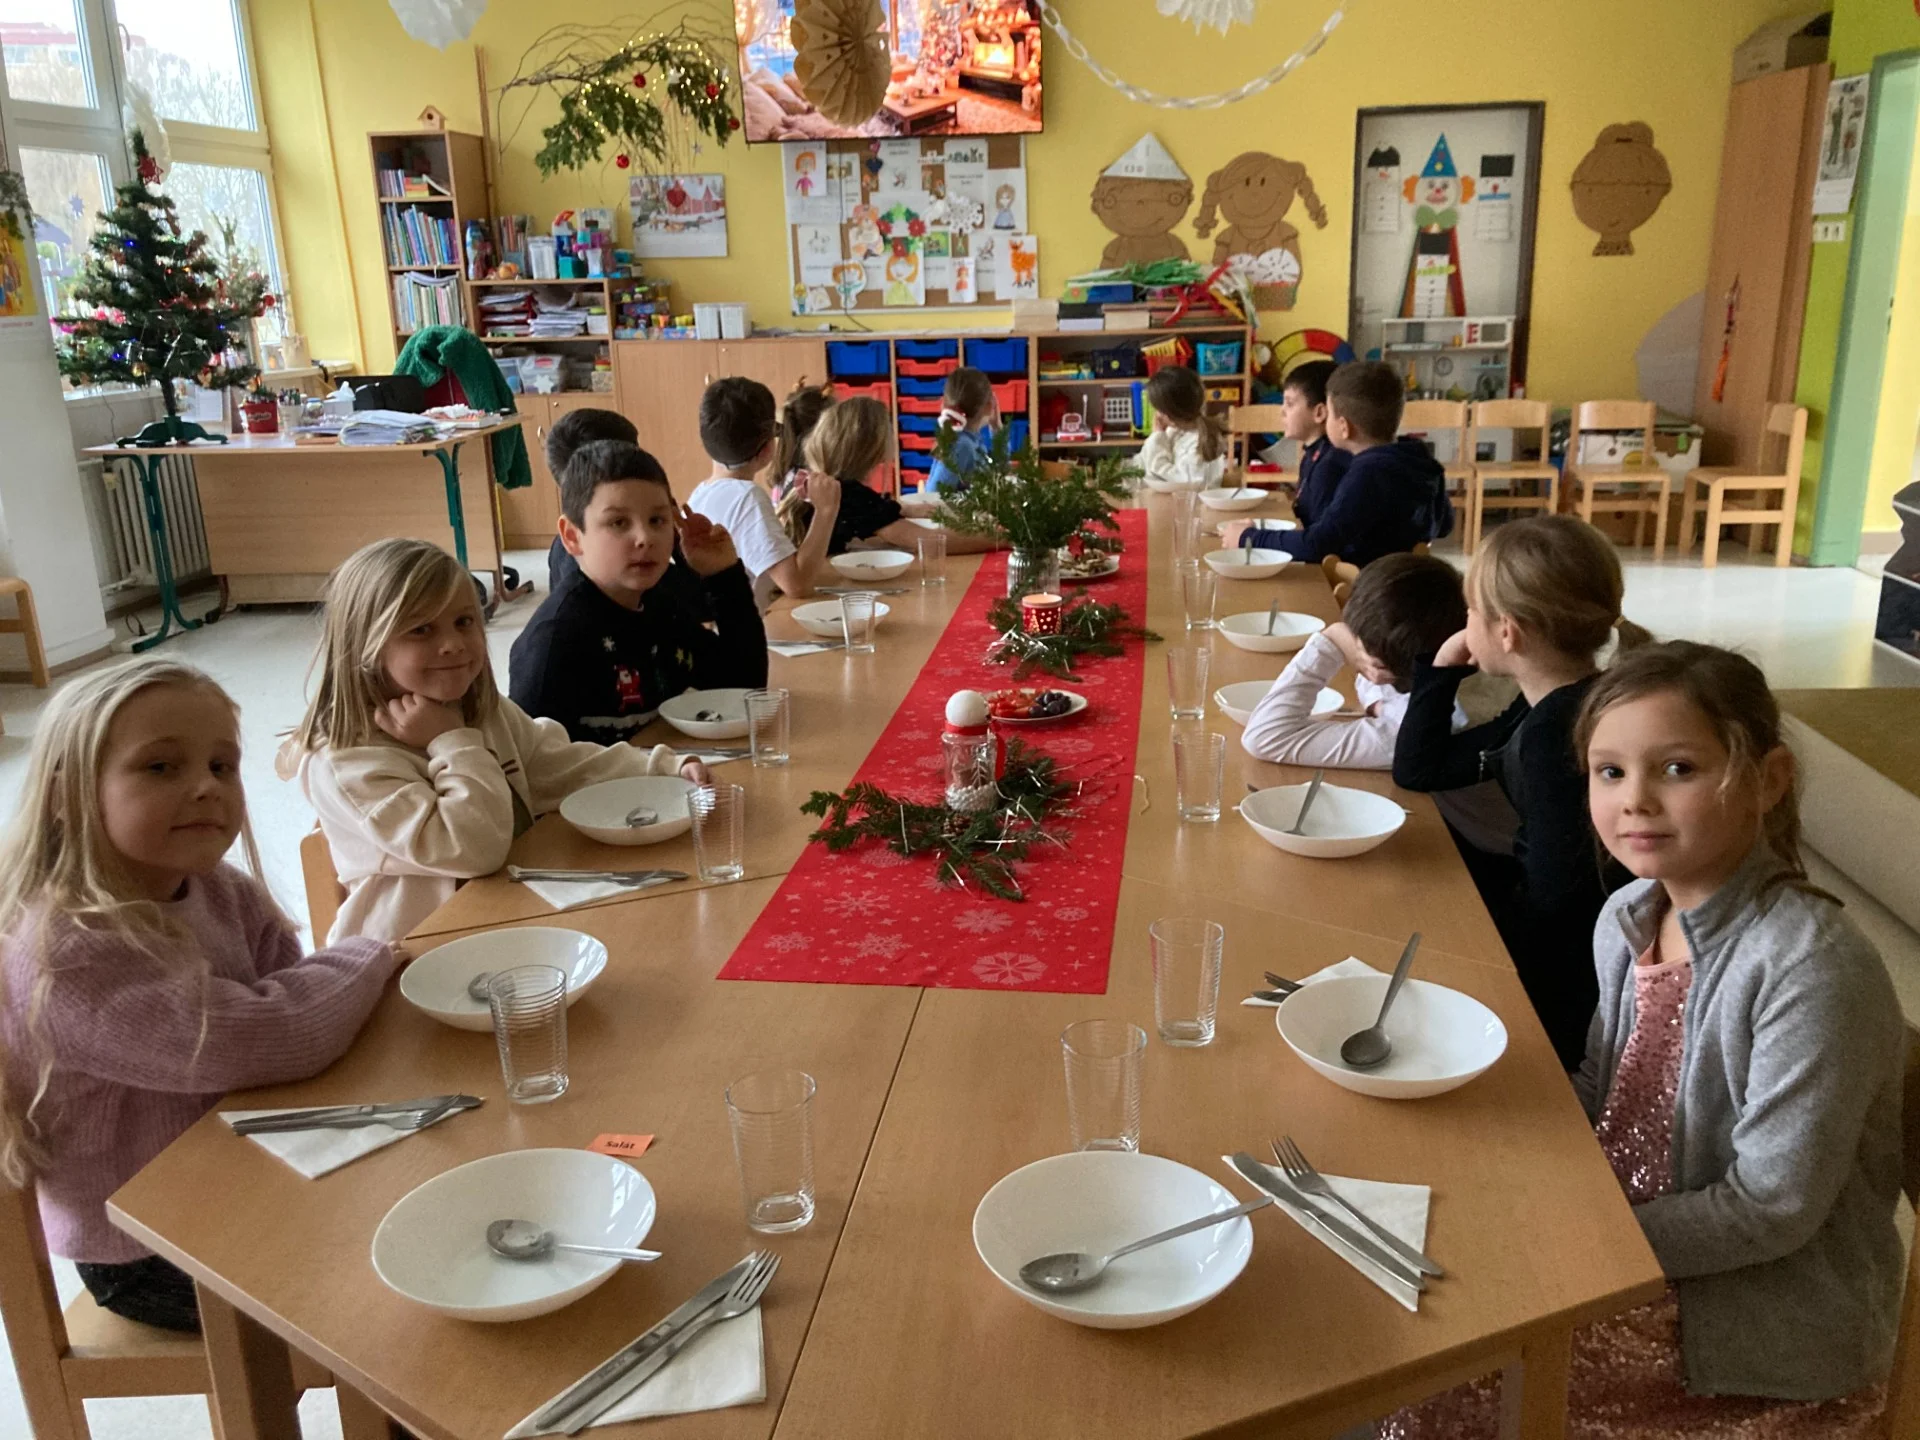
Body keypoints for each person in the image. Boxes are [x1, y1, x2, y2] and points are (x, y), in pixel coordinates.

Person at [1383, 642, 1899, 1439]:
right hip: (1629, 1243)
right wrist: (1490, 1135)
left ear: (1768, 780)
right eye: (1610, 772)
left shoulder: (1809, 966)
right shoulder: (1628, 915)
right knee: (1416, 1316)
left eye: (1677, 769)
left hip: (1744, 1335)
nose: (1636, 801)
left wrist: (1571, 1241)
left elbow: (1770, 1209)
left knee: (1444, 1382)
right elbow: (1605, 1087)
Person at [0, 659, 399, 1331]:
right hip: (147, 1249)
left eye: (222, 766)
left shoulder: (218, 889)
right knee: (395, 1297)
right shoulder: (65, 951)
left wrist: (320, 1002)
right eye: (161, 767)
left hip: (249, 1176)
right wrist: (373, 952)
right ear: (68, 794)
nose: (206, 787)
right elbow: (276, 1034)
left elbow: (291, 1010)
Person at [284, 538, 705, 943]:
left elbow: (558, 764)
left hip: (504, 923)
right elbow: (474, 850)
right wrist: (452, 742)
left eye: (464, 622)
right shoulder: (347, 762)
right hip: (414, 958)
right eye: (421, 629)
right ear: (365, 646)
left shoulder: (479, 709)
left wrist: (661, 768)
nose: (453, 644)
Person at [1392, 515, 1639, 1067]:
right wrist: (1441, 669)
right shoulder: (1553, 703)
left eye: (1470, 611)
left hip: (1568, 991)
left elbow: (1555, 904)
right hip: (1563, 944)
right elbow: (1420, 769)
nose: (1464, 624)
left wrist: (1463, 935)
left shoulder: (1557, 733)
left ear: (1508, 632)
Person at [510, 440, 767, 743]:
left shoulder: (661, 607)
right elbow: (532, 762)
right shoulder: (553, 642)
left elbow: (744, 688)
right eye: (618, 522)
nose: (645, 537)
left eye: (657, 520)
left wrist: (723, 575)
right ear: (572, 536)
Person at [1240, 553, 1464, 768]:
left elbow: (1264, 737)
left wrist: (1333, 638)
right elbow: (1375, 679)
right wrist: (1378, 700)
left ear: (1380, 666)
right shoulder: (1424, 670)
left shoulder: (1404, 734)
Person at [1267, 361, 1453, 566]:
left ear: (1344, 427)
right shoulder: (1417, 455)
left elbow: (1320, 544)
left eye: (1330, 414)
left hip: (1367, 579)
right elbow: (1445, 525)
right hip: (1400, 575)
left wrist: (1250, 537)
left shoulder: (1368, 473)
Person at [686, 376, 838, 610]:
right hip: (748, 627)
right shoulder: (747, 497)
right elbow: (797, 584)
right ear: (768, 447)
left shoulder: (700, 493)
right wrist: (826, 511)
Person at [792, 397, 994, 556]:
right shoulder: (850, 494)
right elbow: (930, 542)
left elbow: (872, 514)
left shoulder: (836, 484)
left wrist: (904, 509)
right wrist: (999, 537)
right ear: (872, 448)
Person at [1238, 360, 1350, 551]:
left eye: (1289, 403)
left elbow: (1319, 543)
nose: (1282, 410)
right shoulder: (1312, 453)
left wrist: (1252, 538)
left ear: (1319, 412)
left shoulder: (1330, 464)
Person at [1138, 365, 1227, 491]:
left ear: (1169, 415)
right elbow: (1143, 464)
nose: (1156, 415)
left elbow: (1165, 479)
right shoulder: (1174, 432)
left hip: (1192, 501)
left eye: (1158, 409)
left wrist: (1157, 436)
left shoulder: (1197, 442)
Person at [925, 366, 999, 493]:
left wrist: (996, 428)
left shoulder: (971, 440)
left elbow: (998, 475)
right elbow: (934, 495)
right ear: (989, 406)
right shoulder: (962, 446)